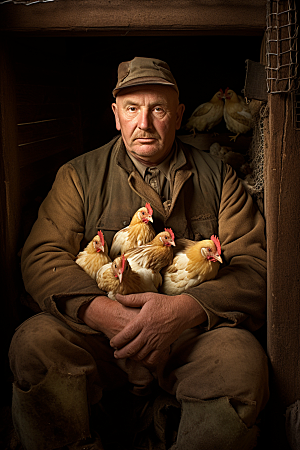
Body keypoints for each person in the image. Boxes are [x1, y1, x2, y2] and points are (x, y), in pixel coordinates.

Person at [9, 56, 269, 450]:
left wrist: (184, 311)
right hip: (100, 336)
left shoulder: (219, 177)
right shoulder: (78, 176)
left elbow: (255, 265)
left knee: (241, 363)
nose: (143, 124)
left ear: (179, 115)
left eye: (158, 109)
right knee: (33, 342)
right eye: (132, 109)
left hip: (188, 339)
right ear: (116, 116)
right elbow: (42, 255)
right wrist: (102, 313)